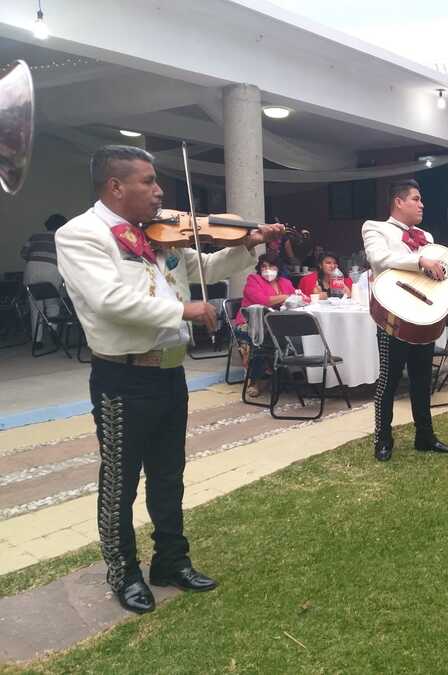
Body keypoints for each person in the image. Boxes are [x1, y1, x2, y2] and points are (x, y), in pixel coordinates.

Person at [55, 145, 284, 614]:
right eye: (147, 181)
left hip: (168, 372)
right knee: (120, 482)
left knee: (168, 475)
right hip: (122, 376)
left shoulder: (160, 234)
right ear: (115, 186)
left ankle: (171, 561)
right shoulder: (81, 234)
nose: (159, 191)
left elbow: (208, 269)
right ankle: (123, 572)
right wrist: (185, 309)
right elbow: (108, 300)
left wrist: (247, 244)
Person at [361, 179, 448, 461]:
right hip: (394, 313)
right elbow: (378, 257)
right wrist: (420, 261)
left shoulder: (427, 237)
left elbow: (441, 273)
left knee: (422, 379)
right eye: (416, 199)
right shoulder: (375, 227)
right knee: (388, 379)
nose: (422, 204)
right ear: (398, 202)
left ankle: (425, 436)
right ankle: (383, 439)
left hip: (423, 314)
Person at [235, 253, 304, 397]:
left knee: (298, 332)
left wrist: (298, 297)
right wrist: (286, 297)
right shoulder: (253, 280)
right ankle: (255, 380)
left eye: (272, 266)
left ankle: (291, 371)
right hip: (251, 324)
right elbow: (263, 301)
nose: (267, 270)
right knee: (263, 338)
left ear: (278, 268)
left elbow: (300, 299)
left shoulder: (285, 282)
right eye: (264, 266)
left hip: (278, 323)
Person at [21, 213, 67, 344]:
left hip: (32, 269)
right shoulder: (63, 238)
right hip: (52, 269)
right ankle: (53, 331)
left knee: (35, 307)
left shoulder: (35, 236)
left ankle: (37, 340)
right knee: (53, 303)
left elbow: (23, 254)